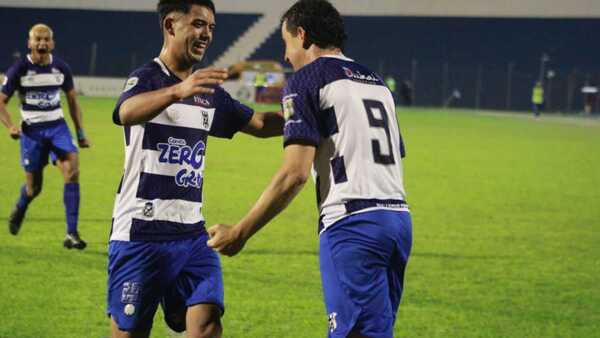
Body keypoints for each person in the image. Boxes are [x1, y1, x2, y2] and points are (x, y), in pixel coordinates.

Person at [207, 1, 412, 337]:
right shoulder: (375, 81)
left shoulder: (306, 79)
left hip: (352, 226)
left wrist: (240, 232)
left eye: (286, 44)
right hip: (397, 222)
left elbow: (294, 174)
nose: (287, 56)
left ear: (301, 35)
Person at [107, 1, 283, 337]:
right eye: (199, 24)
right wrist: (177, 91)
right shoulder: (146, 78)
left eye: (212, 28)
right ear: (171, 26)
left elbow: (259, 123)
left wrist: (306, 119)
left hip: (192, 236)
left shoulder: (207, 92)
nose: (207, 35)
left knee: (207, 326)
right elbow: (126, 112)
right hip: (141, 233)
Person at [0, 23, 90, 249]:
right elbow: (1, 101)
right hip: (32, 132)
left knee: (72, 171)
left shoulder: (61, 68)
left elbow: (72, 101)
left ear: (52, 43)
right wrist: (10, 126)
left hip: (58, 128)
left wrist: (79, 132)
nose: (42, 43)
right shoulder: (19, 70)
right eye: (37, 39)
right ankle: (21, 206)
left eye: (46, 39)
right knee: (34, 188)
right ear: (29, 43)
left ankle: (72, 233)